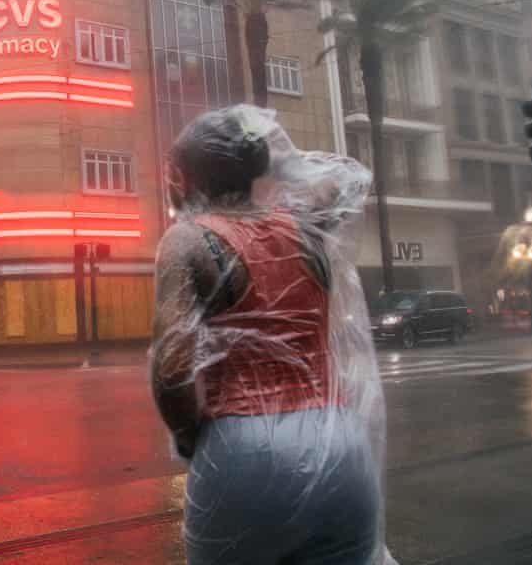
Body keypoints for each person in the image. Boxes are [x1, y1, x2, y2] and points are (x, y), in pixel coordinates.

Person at [149, 105, 395, 565]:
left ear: (186, 175)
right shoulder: (308, 232)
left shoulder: (188, 241)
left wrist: (186, 434)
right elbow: (344, 182)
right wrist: (275, 157)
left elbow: (173, 367)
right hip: (340, 443)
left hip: (243, 451)